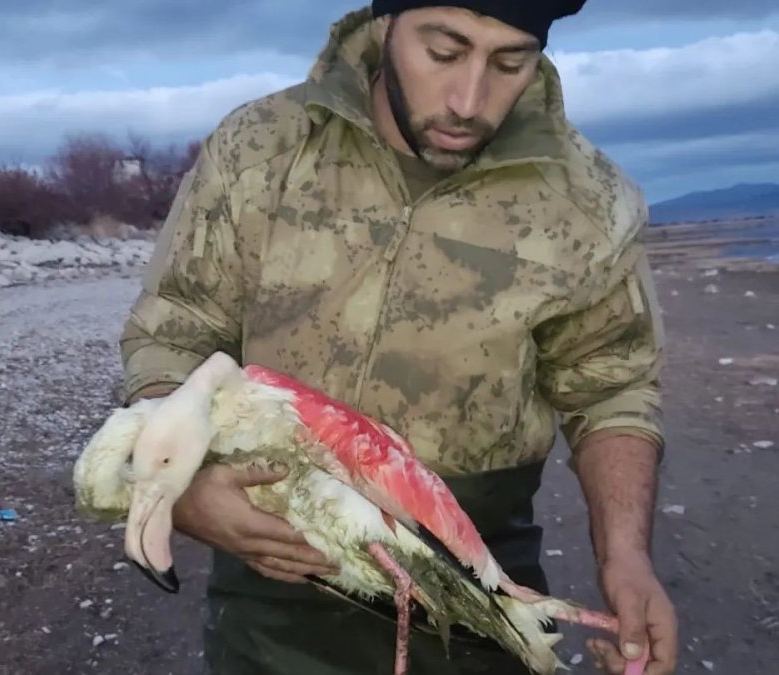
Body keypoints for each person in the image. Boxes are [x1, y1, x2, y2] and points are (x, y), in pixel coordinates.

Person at [118, 1, 678, 673]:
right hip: (272, 586)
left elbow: (612, 387)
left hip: (478, 585)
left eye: (510, 62)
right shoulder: (261, 149)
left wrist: (626, 557)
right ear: (386, 23)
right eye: (443, 52)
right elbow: (177, 329)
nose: (470, 100)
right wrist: (190, 487)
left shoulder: (588, 202)